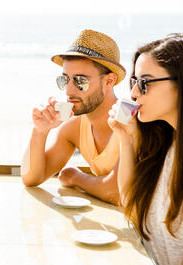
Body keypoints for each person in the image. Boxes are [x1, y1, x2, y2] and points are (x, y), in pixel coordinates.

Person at [108, 33, 183, 265]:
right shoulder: (169, 144)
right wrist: (126, 139)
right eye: (134, 82)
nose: (134, 93)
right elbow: (133, 209)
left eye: (144, 83)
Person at [21, 29, 126, 205]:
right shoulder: (74, 127)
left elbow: (115, 192)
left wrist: (77, 178)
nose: (69, 91)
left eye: (80, 81)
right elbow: (30, 178)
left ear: (109, 81)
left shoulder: (128, 119)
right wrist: (39, 131)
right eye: (65, 80)